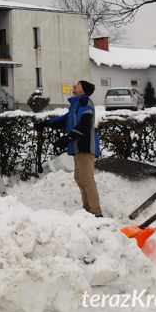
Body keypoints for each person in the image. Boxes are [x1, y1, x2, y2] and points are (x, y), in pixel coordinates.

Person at [36, 80, 102, 217]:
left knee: (87, 179)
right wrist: (45, 124)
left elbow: (83, 125)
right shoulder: (76, 105)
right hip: (78, 147)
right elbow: (63, 120)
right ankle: (87, 210)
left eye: (77, 84)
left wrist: (67, 139)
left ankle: (96, 212)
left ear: (83, 89)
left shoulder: (85, 102)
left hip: (85, 146)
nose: (74, 86)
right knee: (80, 178)